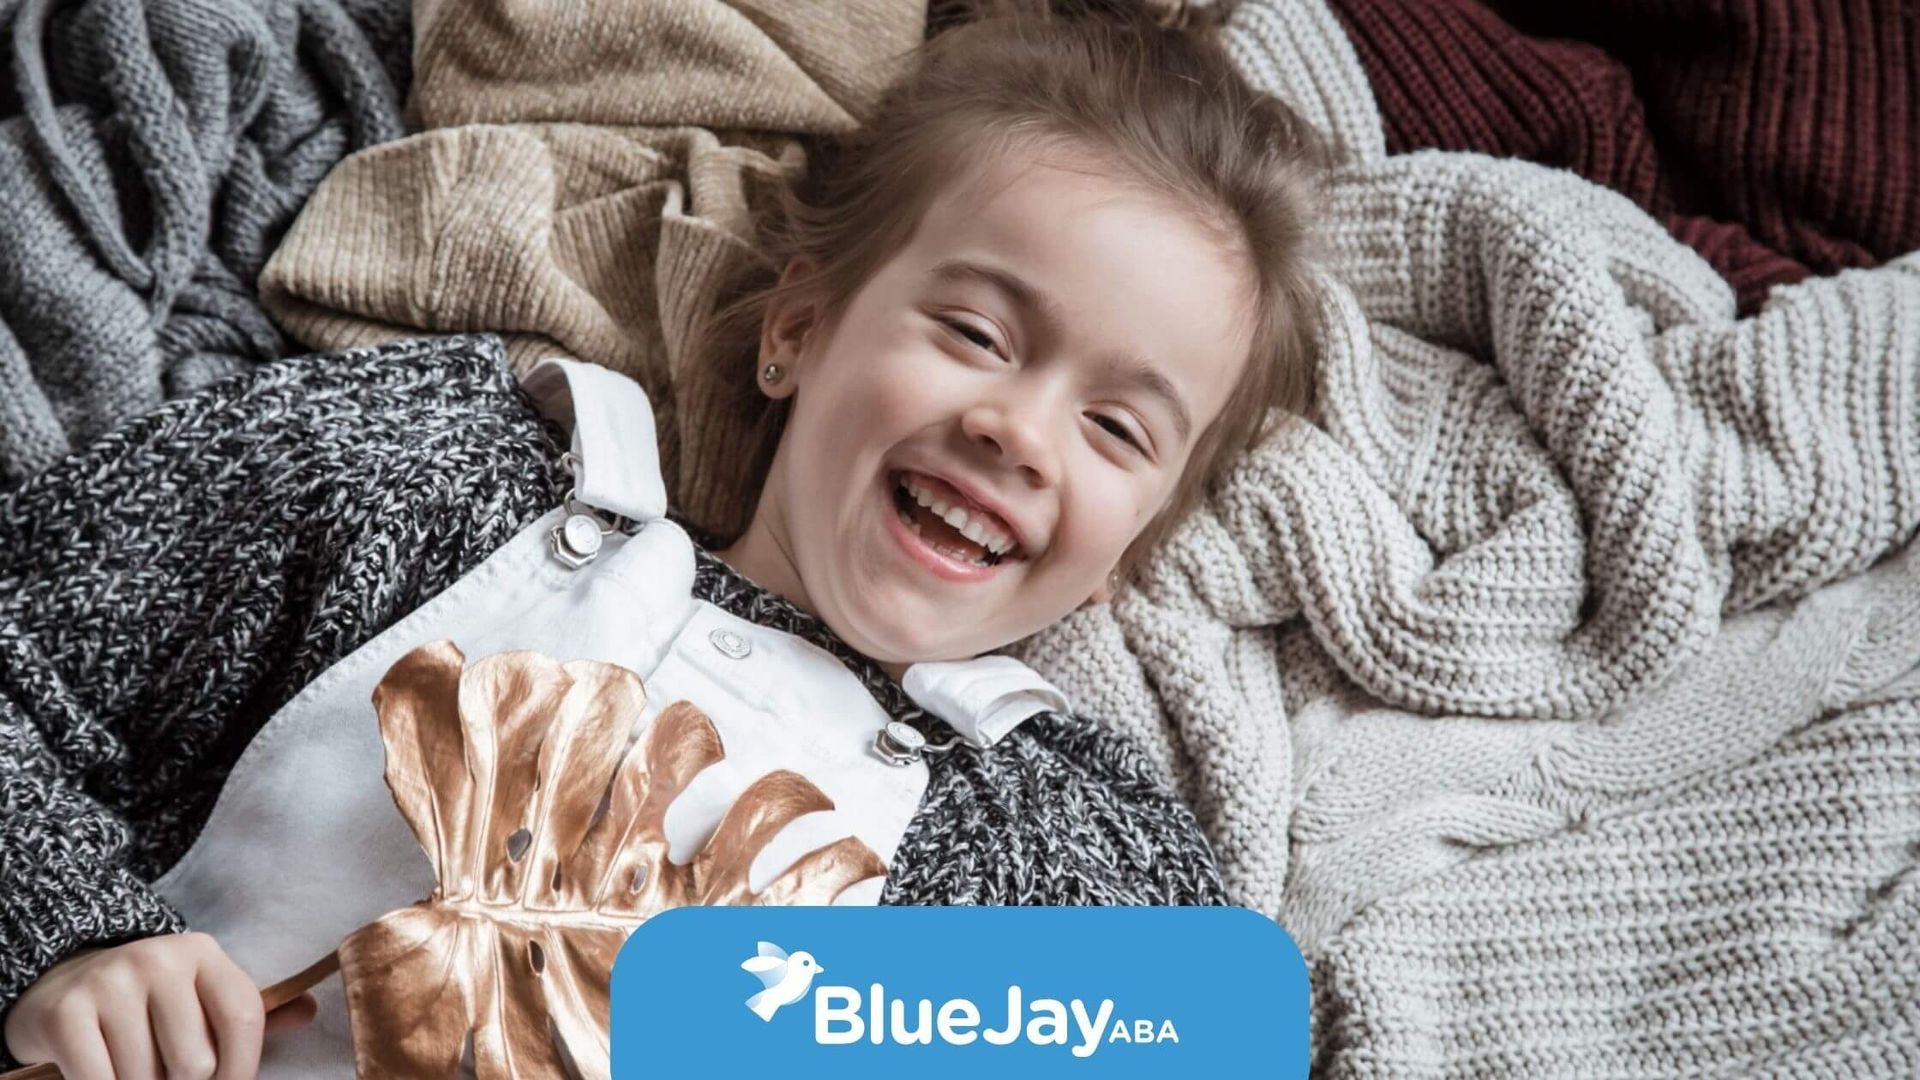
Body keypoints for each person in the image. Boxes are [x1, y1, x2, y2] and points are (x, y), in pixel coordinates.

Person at [0, 6, 1327, 1077]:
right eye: (977, 335)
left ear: (1130, 549)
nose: (1020, 432)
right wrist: (69, 939)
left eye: (1116, 430)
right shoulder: (437, 466)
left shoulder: (1075, 858)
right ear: (798, 327)